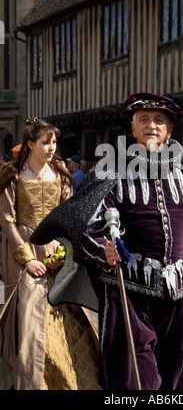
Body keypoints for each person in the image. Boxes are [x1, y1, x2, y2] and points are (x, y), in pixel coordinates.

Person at [30, 92, 183, 391]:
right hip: (129, 292)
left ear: (170, 130)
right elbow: (89, 227)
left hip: (181, 294)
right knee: (134, 378)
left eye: (159, 120)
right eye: (143, 119)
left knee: (178, 375)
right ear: (133, 129)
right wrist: (103, 251)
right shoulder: (110, 175)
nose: (151, 125)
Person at [0, 118, 100, 390]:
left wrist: (64, 252)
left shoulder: (62, 175)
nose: (51, 147)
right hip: (24, 251)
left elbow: (69, 218)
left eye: (54, 142)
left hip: (58, 252)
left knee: (72, 315)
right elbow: (7, 220)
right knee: (31, 317)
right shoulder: (12, 175)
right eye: (45, 142)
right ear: (30, 144)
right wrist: (28, 258)